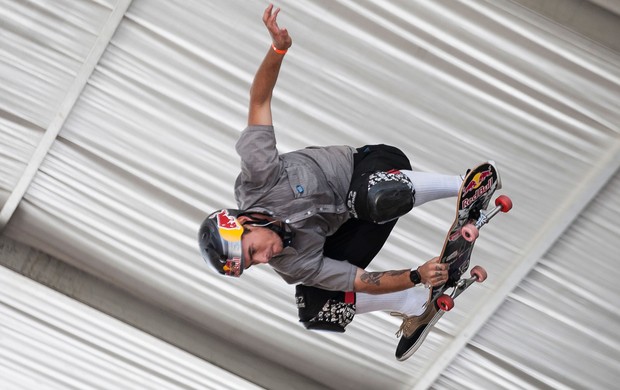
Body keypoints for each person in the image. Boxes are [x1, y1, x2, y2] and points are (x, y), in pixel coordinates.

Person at [198, 4, 470, 361]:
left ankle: (461, 186)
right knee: (316, 306)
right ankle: (414, 304)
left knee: (370, 196)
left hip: (373, 168)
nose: (266, 257)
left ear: (245, 222)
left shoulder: (258, 177)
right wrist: (415, 277)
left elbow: (259, 100)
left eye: (253, 250)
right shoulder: (291, 264)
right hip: (363, 220)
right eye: (255, 263)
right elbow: (358, 281)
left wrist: (278, 49)